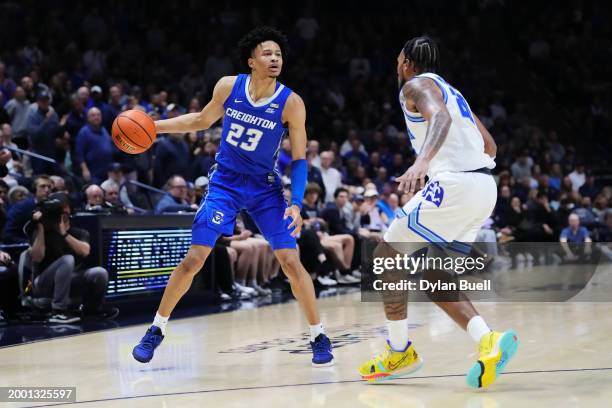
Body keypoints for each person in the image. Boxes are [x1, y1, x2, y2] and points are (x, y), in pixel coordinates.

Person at [133, 27, 334, 367]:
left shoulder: (292, 103)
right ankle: (156, 329)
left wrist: (297, 203)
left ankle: (318, 334)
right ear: (251, 60)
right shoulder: (229, 86)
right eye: (267, 53)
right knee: (195, 258)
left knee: (290, 260)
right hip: (225, 182)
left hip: (264, 187)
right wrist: (155, 127)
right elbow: (200, 119)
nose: (275, 59)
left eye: (279, 55)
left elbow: (299, 159)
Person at [358, 36, 517, 388]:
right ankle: (489, 340)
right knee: (433, 276)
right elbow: (490, 145)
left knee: (387, 255)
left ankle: (399, 351)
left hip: (455, 185)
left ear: (406, 64)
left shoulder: (414, 86)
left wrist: (425, 161)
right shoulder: (452, 90)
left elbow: (439, 117)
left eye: (399, 59)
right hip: (483, 187)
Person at [26, 192, 118, 323]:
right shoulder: (41, 231)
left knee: (100, 272)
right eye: (57, 209)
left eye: (63, 208)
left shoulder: (79, 232)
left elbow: (85, 251)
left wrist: (64, 234)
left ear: (70, 210)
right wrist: (40, 227)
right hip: (43, 282)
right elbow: (36, 257)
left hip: (71, 279)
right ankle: (58, 311)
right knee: (67, 259)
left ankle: (92, 310)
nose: (61, 212)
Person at [3, 175, 51, 243]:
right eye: (42, 186)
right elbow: (8, 234)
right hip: (25, 246)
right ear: (34, 189)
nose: (47, 190)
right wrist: (29, 243)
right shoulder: (20, 208)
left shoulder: (54, 206)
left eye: (49, 187)